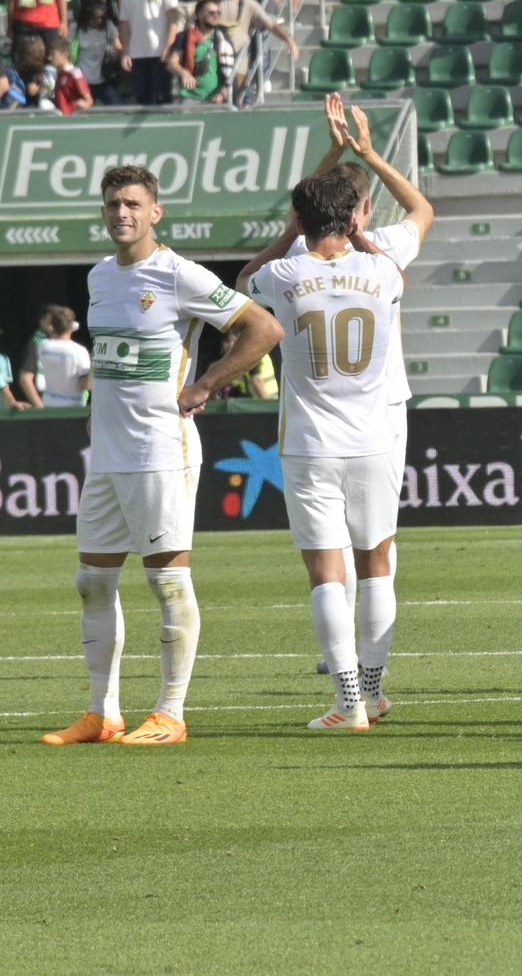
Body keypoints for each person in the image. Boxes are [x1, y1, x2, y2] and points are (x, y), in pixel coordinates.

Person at [40, 165, 280, 748]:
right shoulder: (98, 277)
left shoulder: (179, 273)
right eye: (112, 204)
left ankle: (170, 712)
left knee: (168, 583)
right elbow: (112, 357)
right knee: (91, 581)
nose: (121, 213)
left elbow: (263, 328)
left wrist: (208, 384)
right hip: (109, 454)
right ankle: (103, 713)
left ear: (155, 212)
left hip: (160, 450)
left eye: (131, 204)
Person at [245, 136, 431, 734]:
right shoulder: (384, 270)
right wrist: (362, 233)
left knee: (327, 572)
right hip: (376, 438)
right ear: (354, 217)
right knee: (378, 563)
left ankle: (347, 701)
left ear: (301, 219)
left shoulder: (282, 272)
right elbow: (406, 236)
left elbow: (245, 279)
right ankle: (373, 690)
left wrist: (290, 230)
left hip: (309, 443)